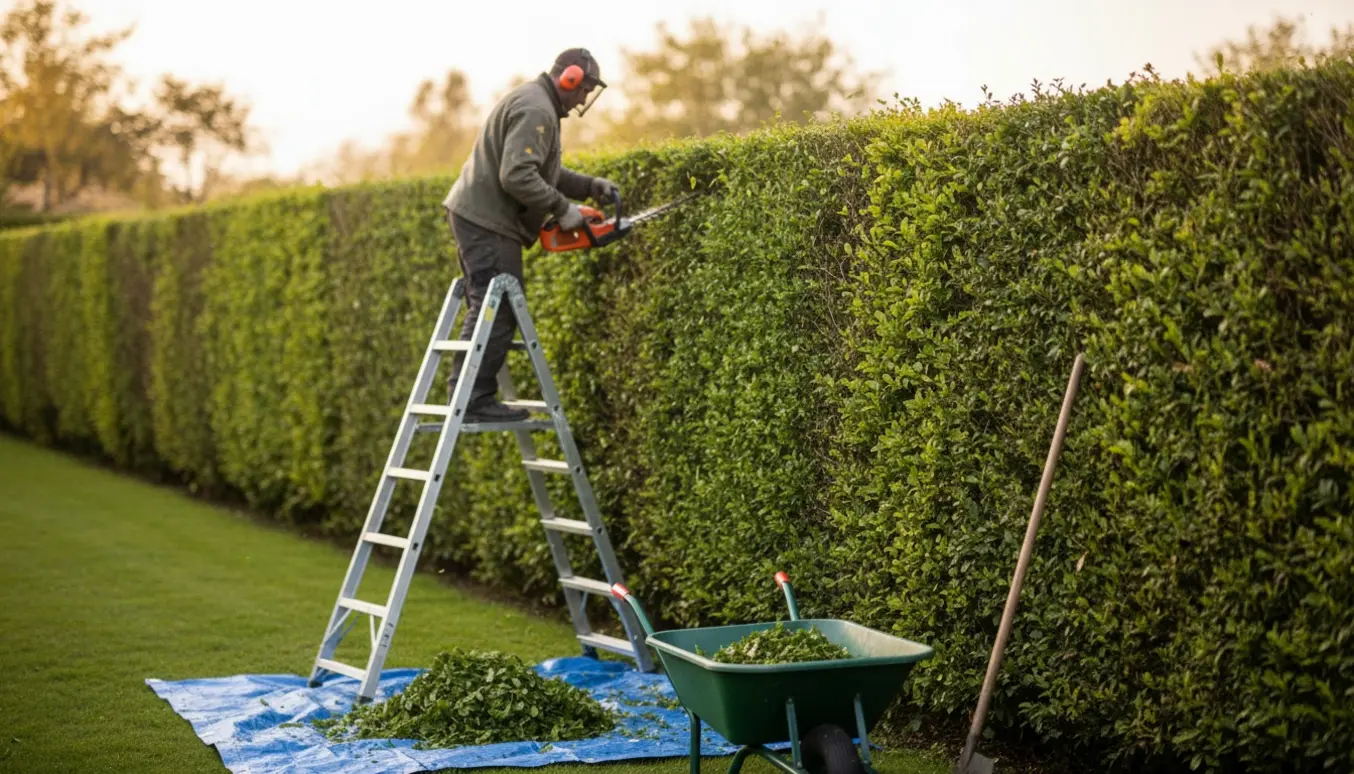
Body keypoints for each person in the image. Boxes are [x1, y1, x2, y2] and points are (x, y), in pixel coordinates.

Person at [441, 47, 618, 422]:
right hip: (489, 221)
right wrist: (562, 209)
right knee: (498, 306)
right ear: (569, 78)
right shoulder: (537, 109)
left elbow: (543, 172)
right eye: (584, 90)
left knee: (488, 304)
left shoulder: (536, 102)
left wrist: (589, 186)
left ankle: (467, 394)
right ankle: (471, 400)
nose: (583, 99)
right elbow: (517, 175)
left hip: (480, 216)